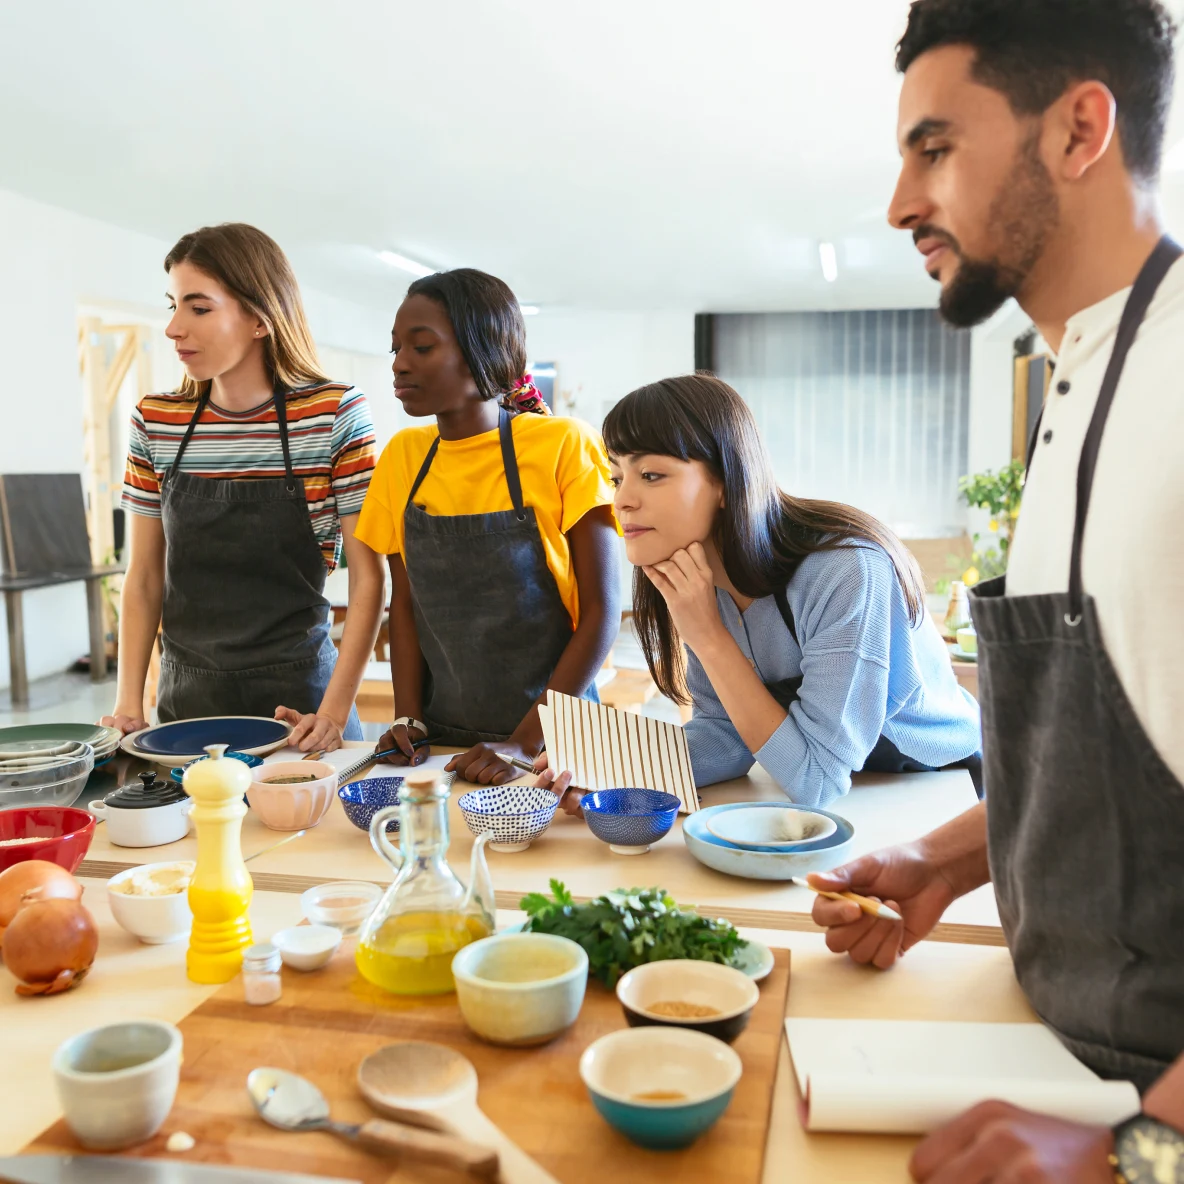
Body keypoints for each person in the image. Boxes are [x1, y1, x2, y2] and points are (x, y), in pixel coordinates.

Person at [811, 1, 1184, 1179]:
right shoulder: (1073, 384)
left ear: (1078, 130)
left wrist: (1132, 1153)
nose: (898, 203)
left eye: (934, 148)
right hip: (1058, 1051)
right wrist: (947, 858)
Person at [541, 373, 981, 810]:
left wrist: (709, 637)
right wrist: (607, 770)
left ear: (726, 483)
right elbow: (723, 732)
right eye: (617, 478)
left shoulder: (846, 571)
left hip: (938, 783)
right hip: (849, 787)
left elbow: (818, 779)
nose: (622, 500)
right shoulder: (697, 577)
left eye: (651, 474)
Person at [106, 223, 385, 751]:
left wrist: (332, 713)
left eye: (199, 307)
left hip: (303, 708)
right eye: (172, 305)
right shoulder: (156, 420)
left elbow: (370, 579)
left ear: (260, 318)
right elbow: (143, 576)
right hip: (186, 706)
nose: (173, 328)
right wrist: (127, 705)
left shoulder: (332, 414)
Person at [354, 268, 620, 785]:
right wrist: (407, 717)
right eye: (395, 350)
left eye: (422, 347)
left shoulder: (563, 444)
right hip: (445, 742)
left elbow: (601, 612)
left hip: (556, 744)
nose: (400, 364)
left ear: (485, 351)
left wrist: (524, 740)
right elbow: (406, 606)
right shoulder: (403, 457)